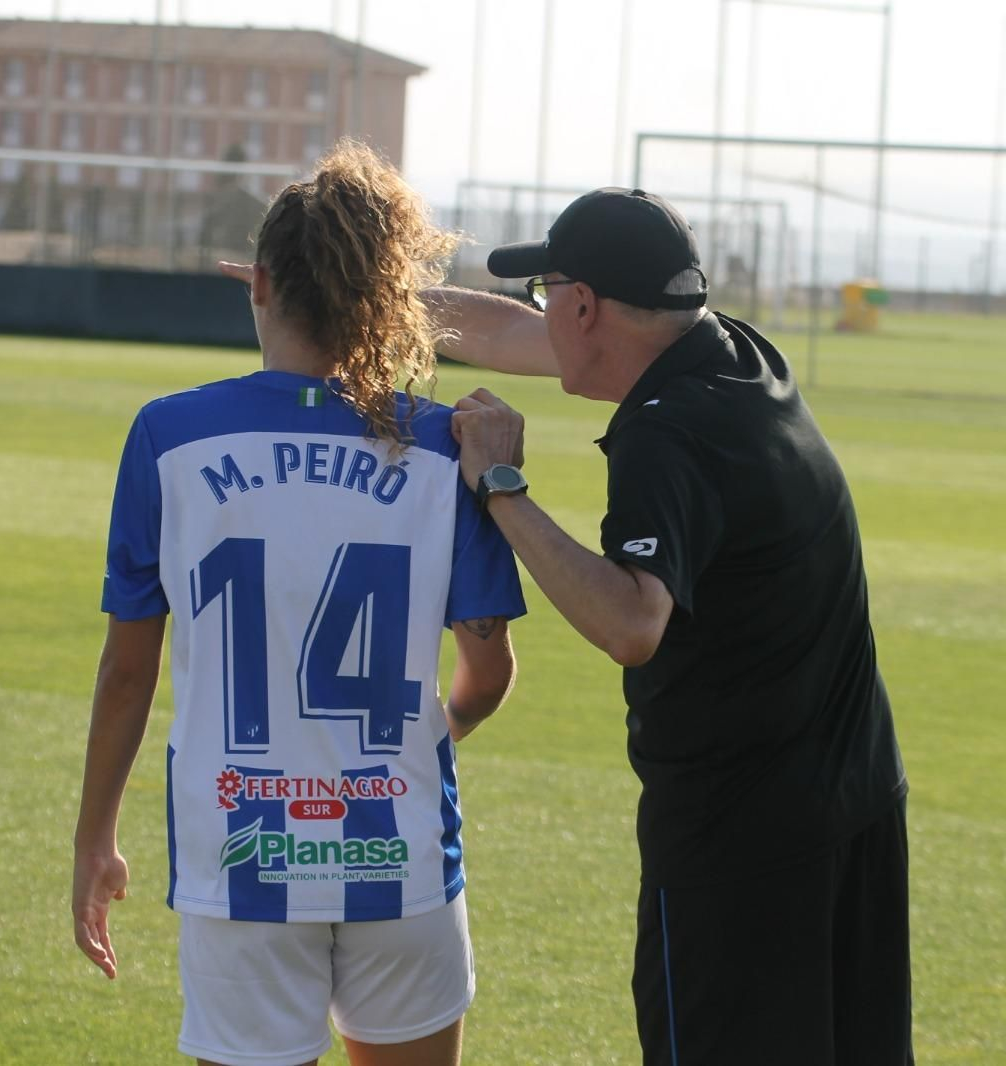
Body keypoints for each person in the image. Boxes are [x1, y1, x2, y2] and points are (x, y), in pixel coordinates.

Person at [433, 188, 912, 1066]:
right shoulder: (730, 351)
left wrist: (500, 486)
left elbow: (632, 621)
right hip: (857, 804)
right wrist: (360, 299)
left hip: (742, 846)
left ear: (584, 305)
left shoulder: (665, 433)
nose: (541, 316)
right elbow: (504, 333)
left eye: (548, 293)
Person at [72, 141, 525, 1066]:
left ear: (261, 284)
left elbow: (128, 673)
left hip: (239, 857)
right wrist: (404, 746)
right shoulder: (447, 446)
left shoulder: (168, 436)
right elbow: (487, 673)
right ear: (387, 300)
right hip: (398, 851)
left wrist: (96, 840)